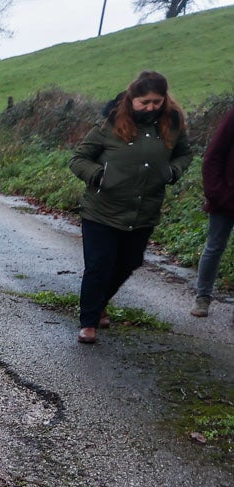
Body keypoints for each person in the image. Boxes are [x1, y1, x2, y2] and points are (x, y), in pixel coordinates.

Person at [69, 71, 192, 344]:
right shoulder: (111, 124)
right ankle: (88, 322)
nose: (150, 107)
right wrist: (99, 176)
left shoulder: (172, 125)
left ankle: (99, 302)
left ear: (164, 100)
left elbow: (185, 153)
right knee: (99, 265)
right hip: (101, 210)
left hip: (143, 212)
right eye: (144, 102)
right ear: (132, 99)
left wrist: (172, 172)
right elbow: (79, 159)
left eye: (156, 102)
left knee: (129, 262)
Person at [193, 103, 234, 319]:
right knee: (215, 246)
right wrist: (218, 193)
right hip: (225, 199)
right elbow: (212, 156)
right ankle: (203, 298)